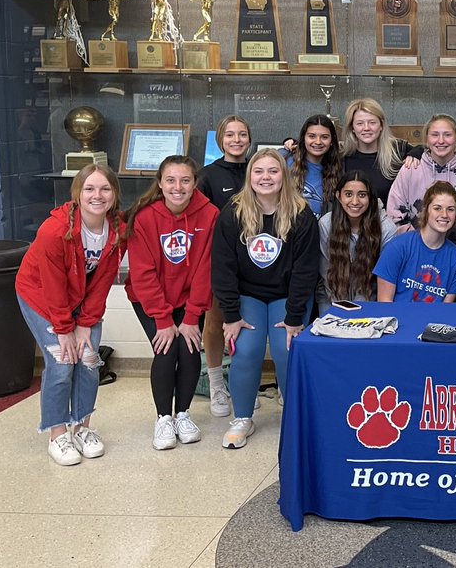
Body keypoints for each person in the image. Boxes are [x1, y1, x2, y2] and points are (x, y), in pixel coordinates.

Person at [211, 149, 319, 449]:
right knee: (246, 350)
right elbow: (222, 268)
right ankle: (242, 418)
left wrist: (295, 317)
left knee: (287, 350)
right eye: (259, 171)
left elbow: (306, 271)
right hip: (249, 295)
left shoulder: (301, 214)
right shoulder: (233, 213)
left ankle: (294, 416)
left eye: (273, 171)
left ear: (284, 176)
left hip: (288, 296)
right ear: (250, 177)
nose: (266, 177)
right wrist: (231, 316)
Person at [16, 164, 123, 466]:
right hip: (41, 295)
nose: (97, 195)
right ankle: (57, 434)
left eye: (105, 189)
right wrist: (64, 329)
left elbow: (103, 280)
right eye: (89, 189)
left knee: (88, 359)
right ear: (77, 193)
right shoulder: (54, 230)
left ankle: (82, 428)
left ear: (114, 194)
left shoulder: (118, 229)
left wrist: (86, 324)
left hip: (82, 298)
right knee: (63, 361)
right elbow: (52, 285)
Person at [124, 155, 219, 450]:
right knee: (166, 350)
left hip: (189, 298)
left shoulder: (210, 214)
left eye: (185, 180)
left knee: (189, 349)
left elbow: (206, 268)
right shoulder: (144, 218)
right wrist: (163, 320)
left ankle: (183, 415)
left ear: (195, 183)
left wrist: (191, 317)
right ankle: (163, 418)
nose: (178, 187)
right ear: (160, 184)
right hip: (150, 298)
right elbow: (143, 274)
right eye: (171, 180)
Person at [197, 115, 251, 417]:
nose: (236, 140)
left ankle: (243, 383)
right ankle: (217, 385)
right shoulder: (208, 176)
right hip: (220, 261)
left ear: (249, 139)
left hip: (256, 261)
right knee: (216, 321)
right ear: (220, 140)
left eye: (242, 134)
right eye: (230, 135)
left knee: (248, 323)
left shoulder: (257, 170)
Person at [387, 114, 456, 240]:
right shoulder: (410, 169)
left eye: (447, 135)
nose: (441, 141)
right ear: (427, 139)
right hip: (414, 244)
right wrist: (418, 243)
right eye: (435, 135)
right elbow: (395, 212)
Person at [375, 182, 456, 303]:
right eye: (437, 208)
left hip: (436, 315)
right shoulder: (397, 247)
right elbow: (384, 303)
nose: (444, 215)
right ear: (425, 210)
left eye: (450, 209)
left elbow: (445, 308)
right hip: (397, 315)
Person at [319, 172, 397, 314]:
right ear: (338, 196)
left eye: (362, 195)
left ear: (370, 198)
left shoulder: (386, 228)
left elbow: (383, 278)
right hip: (331, 295)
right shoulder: (326, 224)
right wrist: (340, 306)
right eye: (348, 194)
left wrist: (356, 310)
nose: (355, 201)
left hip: (369, 295)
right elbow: (326, 272)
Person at [341, 97, 422, 206]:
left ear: (381, 126)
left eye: (372, 122)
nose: (366, 128)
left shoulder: (399, 150)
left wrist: (416, 154)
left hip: (392, 216)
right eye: (360, 123)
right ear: (352, 128)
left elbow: (430, 151)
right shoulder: (343, 158)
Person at [285, 114, 342, 217]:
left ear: (332, 140)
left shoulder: (339, 168)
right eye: (312, 136)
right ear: (303, 138)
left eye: (324, 137)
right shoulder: (286, 161)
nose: (318, 142)